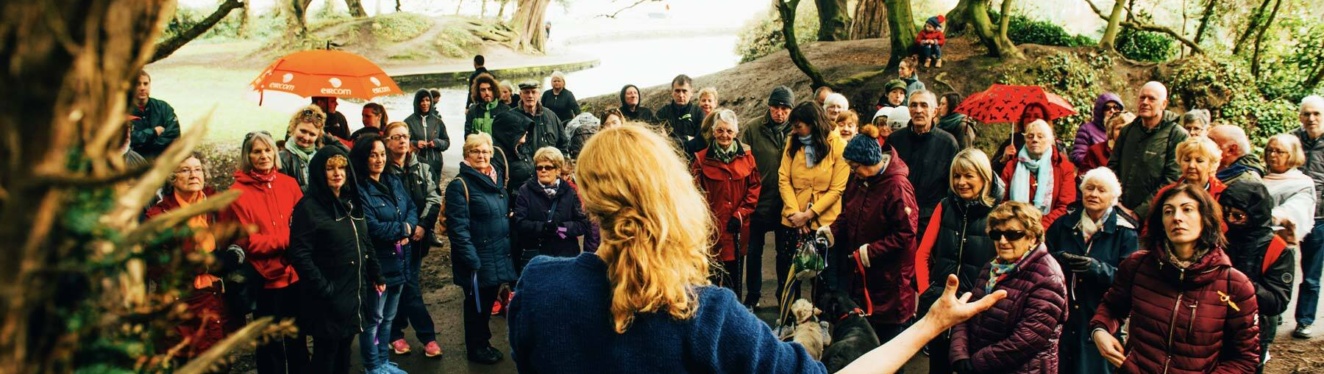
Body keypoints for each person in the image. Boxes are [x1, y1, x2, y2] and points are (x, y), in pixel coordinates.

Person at [506, 124, 1009, 374]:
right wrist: (932, 323)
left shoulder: (539, 286)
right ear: (676, 195)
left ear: (588, 200)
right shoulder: (709, 317)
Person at [1089, 184, 1261, 373]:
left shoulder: (1234, 285)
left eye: (1187, 209)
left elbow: (1245, 359)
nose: (1177, 217)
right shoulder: (1138, 266)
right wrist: (1100, 331)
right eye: (1168, 212)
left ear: (1205, 218)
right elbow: (1112, 306)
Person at [286, 146, 380, 374]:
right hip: (328, 296)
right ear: (320, 172)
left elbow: (364, 239)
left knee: (344, 351)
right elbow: (299, 253)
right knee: (326, 355)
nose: (337, 173)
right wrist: (324, 288)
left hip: (353, 290)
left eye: (342, 168)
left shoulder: (351, 202)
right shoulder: (309, 208)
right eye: (330, 168)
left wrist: (376, 272)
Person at [218, 131, 307, 374]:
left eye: (268, 150)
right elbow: (249, 243)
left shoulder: (289, 184)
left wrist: (290, 241)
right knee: (270, 346)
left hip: (294, 275)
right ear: (247, 156)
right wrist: (288, 240)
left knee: (297, 339)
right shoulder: (236, 194)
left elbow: (305, 226)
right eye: (257, 151)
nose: (264, 155)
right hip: (265, 280)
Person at [950, 201, 1067, 374]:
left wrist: (975, 363)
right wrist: (960, 355)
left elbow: (1027, 339)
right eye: (996, 234)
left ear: (1032, 236)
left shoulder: (1049, 278)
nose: (1003, 241)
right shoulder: (992, 267)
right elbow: (967, 314)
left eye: (1013, 234)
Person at [144, 153, 241, 360]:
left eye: (197, 169)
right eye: (185, 170)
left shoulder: (215, 204)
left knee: (219, 362)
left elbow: (238, 236)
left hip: (218, 297)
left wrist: (233, 256)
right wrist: (204, 265)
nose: (193, 175)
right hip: (183, 302)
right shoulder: (160, 215)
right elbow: (156, 265)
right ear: (172, 177)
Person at [913, 148, 1001, 374]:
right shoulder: (945, 206)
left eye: (968, 176)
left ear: (984, 177)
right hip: (941, 302)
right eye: (956, 176)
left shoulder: (999, 213)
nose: (961, 182)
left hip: (976, 308)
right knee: (938, 366)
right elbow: (922, 253)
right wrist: (926, 291)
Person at [1044, 167, 1138, 374]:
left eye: (1101, 190)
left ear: (1113, 196)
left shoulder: (1125, 232)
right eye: (1089, 188)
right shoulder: (1063, 224)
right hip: (1063, 315)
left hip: (1100, 318)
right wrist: (1060, 260)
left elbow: (1130, 280)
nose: (1093, 194)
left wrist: (1097, 269)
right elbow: (1042, 260)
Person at [832, 124, 919, 344]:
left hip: (890, 280)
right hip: (862, 277)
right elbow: (848, 212)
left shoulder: (898, 187)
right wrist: (831, 231)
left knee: (888, 342)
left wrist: (871, 252)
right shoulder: (860, 179)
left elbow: (906, 233)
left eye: (855, 166)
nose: (853, 171)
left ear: (871, 162)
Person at [446, 133, 518, 364]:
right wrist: (472, 259)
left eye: (485, 151)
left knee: (486, 304)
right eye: (476, 151)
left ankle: (483, 343)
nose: (481, 155)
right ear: (467, 154)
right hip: (478, 258)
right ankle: (476, 349)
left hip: (497, 253)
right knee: (475, 305)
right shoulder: (460, 185)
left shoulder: (496, 181)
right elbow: (458, 229)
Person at [351, 135, 417, 374]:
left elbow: (410, 208)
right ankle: (373, 366)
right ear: (362, 158)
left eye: (381, 154)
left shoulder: (393, 180)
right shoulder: (359, 190)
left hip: (400, 260)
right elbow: (372, 227)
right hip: (378, 263)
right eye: (372, 154)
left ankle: (383, 361)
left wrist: (407, 226)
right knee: (374, 320)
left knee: (388, 317)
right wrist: (403, 229)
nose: (378, 159)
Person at [379, 123, 444, 358]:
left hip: (418, 236)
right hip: (393, 238)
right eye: (396, 137)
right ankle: (420, 335)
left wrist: (423, 226)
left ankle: (397, 333)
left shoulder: (422, 167)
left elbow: (433, 198)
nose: (402, 141)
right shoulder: (383, 171)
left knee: (407, 283)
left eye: (405, 136)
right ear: (387, 141)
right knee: (404, 285)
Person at [1219, 182, 1297, 373]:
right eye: (1226, 213)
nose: (1230, 220)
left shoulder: (1276, 249)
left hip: (1253, 331)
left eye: (1238, 216)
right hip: (1214, 326)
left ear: (1254, 215)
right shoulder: (1220, 240)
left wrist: (1241, 284)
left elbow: (1276, 301)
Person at [777, 102, 850, 301]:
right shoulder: (793, 142)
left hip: (824, 223)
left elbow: (837, 189)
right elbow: (784, 178)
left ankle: (821, 322)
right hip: (793, 220)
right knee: (789, 276)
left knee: (824, 281)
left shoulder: (839, 146)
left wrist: (809, 215)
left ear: (814, 124)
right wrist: (795, 214)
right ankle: (787, 320)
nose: (794, 131)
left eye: (798, 126)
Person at [691, 109, 761, 295]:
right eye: (720, 130)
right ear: (713, 132)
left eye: (729, 131)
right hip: (710, 230)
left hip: (736, 228)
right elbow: (693, 193)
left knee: (734, 279)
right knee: (709, 280)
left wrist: (740, 214)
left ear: (736, 133)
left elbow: (754, 189)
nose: (725, 135)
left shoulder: (747, 158)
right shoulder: (701, 159)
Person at [739, 86, 796, 309]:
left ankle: (784, 295)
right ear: (769, 106)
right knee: (754, 252)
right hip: (758, 202)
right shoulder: (753, 128)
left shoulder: (796, 130)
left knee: (785, 254)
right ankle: (753, 295)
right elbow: (742, 162)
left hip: (785, 204)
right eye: (775, 107)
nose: (779, 112)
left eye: (784, 108)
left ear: (790, 110)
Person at [1109, 81, 1188, 221]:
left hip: (1155, 216)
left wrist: (1139, 213)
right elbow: (1113, 167)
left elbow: (1173, 179)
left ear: (1164, 104)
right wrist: (1116, 202)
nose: (1145, 102)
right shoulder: (1128, 131)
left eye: (1151, 99)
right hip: (1119, 209)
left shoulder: (1176, 135)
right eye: (1142, 97)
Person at [891, 90, 960, 239]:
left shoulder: (948, 143)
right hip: (896, 217)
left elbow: (952, 186)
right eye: (913, 105)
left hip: (930, 219)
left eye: (924, 105)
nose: (918, 110)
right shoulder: (895, 140)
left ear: (935, 111)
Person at [513, 147, 591, 268]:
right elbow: (519, 223)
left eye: (548, 167)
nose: (543, 171)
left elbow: (583, 224)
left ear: (558, 170)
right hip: (538, 258)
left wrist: (561, 229)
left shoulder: (570, 191)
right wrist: (543, 228)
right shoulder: (525, 191)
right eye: (539, 167)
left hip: (566, 257)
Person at [999, 120, 1077, 229]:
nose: (1035, 140)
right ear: (1025, 140)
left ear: (1050, 140)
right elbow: (1002, 202)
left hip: (1051, 231)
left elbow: (1066, 205)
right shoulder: (1011, 166)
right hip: (1016, 229)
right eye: (1030, 136)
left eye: (1040, 137)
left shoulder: (1064, 167)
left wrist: (1040, 227)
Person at [1292, 94, 1324, 339]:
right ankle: (1274, 312)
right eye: (1307, 114)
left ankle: (1304, 320)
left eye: (1316, 114)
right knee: (1280, 265)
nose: (1311, 118)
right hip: (1292, 215)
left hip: (1321, 218)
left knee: (1311, 274)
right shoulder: (1293, 139)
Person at [1262, 133, 1316, 246]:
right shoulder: (1257, 176)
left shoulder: (1302, 183)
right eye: (1269, 150)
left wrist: (1272, 216)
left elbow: (1295, 208)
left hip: (1279, 243)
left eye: (1279, 151)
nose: (1272, 155)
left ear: (1292, 155)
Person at [1152, 137, 1228, 208]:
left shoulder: (1223, 195)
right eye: (1187, 160)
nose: (1191, 165)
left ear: (1211, 164)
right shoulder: (1166, 193)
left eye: (1199, 161)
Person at [128, 70, 181, 159]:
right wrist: (153, 132)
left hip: (162, 160)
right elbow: (128, 139)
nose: (142, 88)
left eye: (145, 84)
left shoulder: (163, 107)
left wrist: (146, 146)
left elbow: (174, 134)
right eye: (138, 84)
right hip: (135, 163)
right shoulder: (122, 111)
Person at [404, 88, 450, 185]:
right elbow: (403, 142)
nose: (425, 103)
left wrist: (437, 143)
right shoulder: (408, 122)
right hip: (415, 163)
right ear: (417, 103)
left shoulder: (438, 121)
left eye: (427, 100)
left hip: (435, 163)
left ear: (431, 101)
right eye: (422, 101)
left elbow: (446, 142)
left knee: (434, 191)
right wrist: (415, 143)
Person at [992, 103, 1051, 173]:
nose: (1031, 119)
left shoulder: (1053, 145)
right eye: (1027, 116)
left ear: (1045, 120)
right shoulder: (1011, 143)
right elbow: (991, 173)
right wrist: (1003, 160)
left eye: (1036, 116)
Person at [1071, 93, 1124, 167]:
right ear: (1100, 111)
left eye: (1116, 107)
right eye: (1107, 108)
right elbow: (1077, 156)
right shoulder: (1087, 129)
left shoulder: (1125, 129)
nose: (1112, 110)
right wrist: (1098, 162)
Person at [279, 105, 326, 190]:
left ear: (318, 136)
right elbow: (283, 192)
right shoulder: (282, 158)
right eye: (303, 131)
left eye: (312, 134)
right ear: (293, 128)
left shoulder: (321, 156)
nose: (306, 138)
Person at [516, 81, 568, 156]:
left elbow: (563, 144)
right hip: (523, 166)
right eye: (526, 92)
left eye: (533, 92)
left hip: (547, 165)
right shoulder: (512, 117)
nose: (530, 95)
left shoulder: (551, 116)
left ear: (539, 95)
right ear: (520, 95)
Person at [491, 110, 534, 199]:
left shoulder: (522, 148)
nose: (526, 132)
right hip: (514, 203)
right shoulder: (497, 155)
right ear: (511, 132)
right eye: (522, 129)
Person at [656, 74, 707, 147]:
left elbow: (700, 142)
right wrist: (688, 138)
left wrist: (669, 140)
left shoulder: (699, 113)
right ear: (672, 92)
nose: (681, 95)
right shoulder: (662, 113)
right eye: (677, 91)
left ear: (691, 92)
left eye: (684, 91)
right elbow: (657, 139)